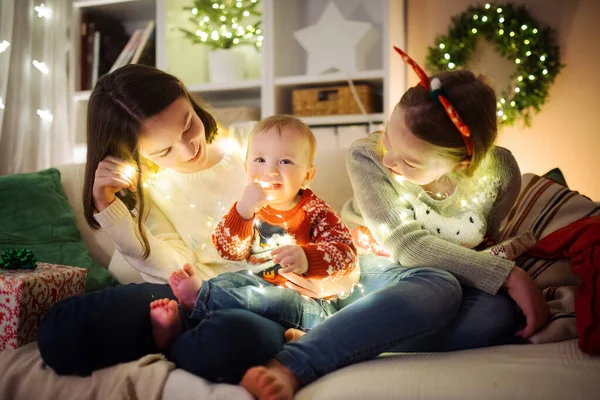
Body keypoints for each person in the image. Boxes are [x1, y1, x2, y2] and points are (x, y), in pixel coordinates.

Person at [239, 47, 550, 399]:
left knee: (497, 316)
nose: (388, 160)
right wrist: (506, 274)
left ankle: (334, 328)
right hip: (367, 264)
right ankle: (294, 363)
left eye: (410, 161)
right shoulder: (366, 156)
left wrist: (494, 272)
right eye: (388, 136)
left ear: (463, 164)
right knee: (438, 287)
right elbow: (405, 244)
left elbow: (483, 242)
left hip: (432, 282)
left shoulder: (501, 173)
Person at [37, 64, 357, 383]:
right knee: (63, 332)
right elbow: (173, 270)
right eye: (164, 149)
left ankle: (174, 342)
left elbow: (331, 243)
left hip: (264, 298)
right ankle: (179, 338)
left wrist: (319, 280)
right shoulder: (151, 187)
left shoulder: (258, 146)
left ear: (187, 97)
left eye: (188, 125)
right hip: (192, 292)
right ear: (134, 153)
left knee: (224, 339)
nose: (190, 149)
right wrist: (109, 208)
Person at [148, 115, 358, 351]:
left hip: (308, 302)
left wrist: (308, 258)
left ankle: (200, 300)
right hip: (257, 286)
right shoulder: (250, 207)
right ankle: (178, 328)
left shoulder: (316, 212)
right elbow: (229, 250)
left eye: (285, 162)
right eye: (260, 159)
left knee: (277, 299)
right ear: (247, 167)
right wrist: (243, 211)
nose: (270, 170)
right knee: (229, 282)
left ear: (307, 176)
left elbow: (347, 255)